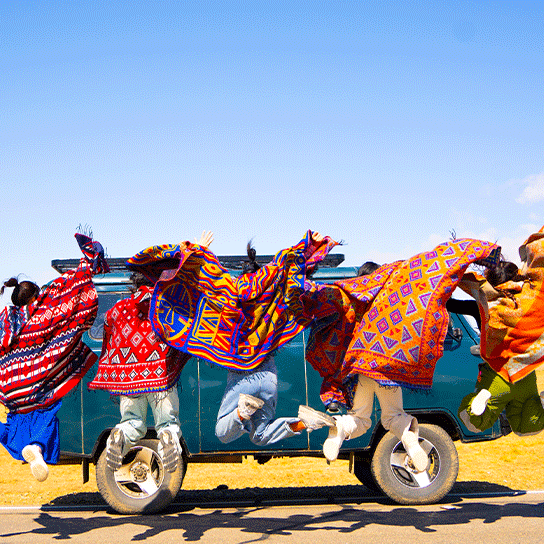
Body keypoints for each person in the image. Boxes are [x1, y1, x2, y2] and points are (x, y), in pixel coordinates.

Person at [297, 237, 501, 471]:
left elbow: (327, 307)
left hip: (362, 364)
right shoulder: (393, 295)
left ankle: (339, 429)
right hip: (388, 369)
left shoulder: (354, 298)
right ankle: (411, 442)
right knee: (393, 416)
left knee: (360, 418)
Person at [89, 231, 213, 472]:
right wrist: (198, 250)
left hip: (129, 380)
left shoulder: (119, 309)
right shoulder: (166, 304)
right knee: (167, 422)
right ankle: (168, 438)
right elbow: (190, 288)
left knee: (132, 422)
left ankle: (120, 435)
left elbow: (108, 335)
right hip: (160, 377)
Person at [0, 232, 108, 481]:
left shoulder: (5, 321)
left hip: (11, 390)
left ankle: (33, 448)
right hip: (36, 385)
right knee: (48, 411)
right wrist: (88, 260)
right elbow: (74, 294)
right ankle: (37, 448)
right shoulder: (44, 312)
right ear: (34, 296)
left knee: (17, 422)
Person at [215, 240, 335, 446]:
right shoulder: (274, 300)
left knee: (221, 432)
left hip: (241, 374)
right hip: (268, 375)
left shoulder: (232, 299)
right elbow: (292, 279)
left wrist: (198, 249)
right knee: (260, 436)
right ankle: (305, 422)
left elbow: (207, 283)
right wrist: (310, 248)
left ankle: (243, 411)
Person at [458, 232, 544, 436]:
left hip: (495, 375)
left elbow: (456, 291)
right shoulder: (531, 300)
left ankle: (480, 403)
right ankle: (540, 403)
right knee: (527, 429)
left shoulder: (485, 300)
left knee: (473, 422)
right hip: (524, 375)